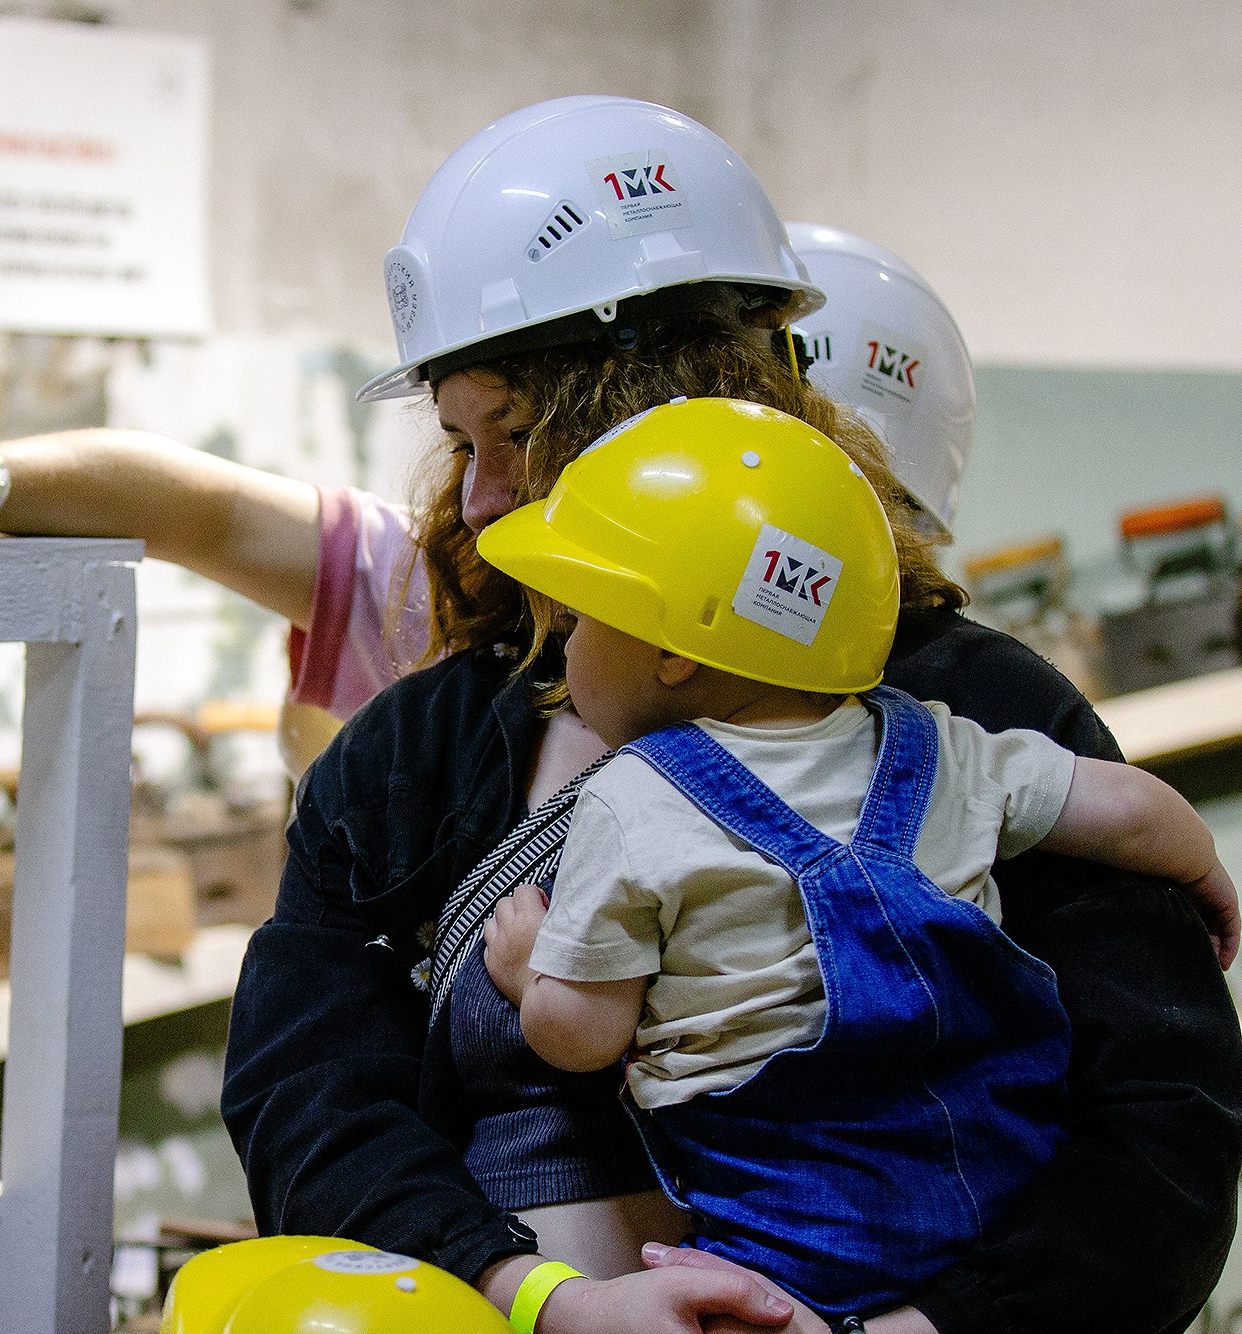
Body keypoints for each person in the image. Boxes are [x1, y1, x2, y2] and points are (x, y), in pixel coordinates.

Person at [0, 96, 1242, 1334]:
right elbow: (309, 1090)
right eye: (457, 441)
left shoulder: (980, 712)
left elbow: (1158, 1145)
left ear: (655, 402)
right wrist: (529, 1294)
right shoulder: (429, 747)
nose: (471, 496)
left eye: (509, 435)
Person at [471, 396, 1232, 1321]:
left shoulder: (631, 804)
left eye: (580, 622)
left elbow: (587, 1035)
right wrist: (1202, 873)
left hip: (797, 1239)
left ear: (672, 649)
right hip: (1008, 1191)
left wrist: (527, 974)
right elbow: (1123, 807)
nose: (568, 650)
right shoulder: (945, 748)